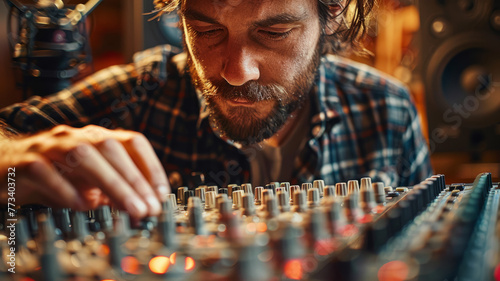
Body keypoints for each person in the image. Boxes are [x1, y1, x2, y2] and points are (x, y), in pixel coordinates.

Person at [0, 0, 433, 219]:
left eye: (275, 32)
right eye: (206, 29)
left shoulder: (387, 110)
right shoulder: (136, 95)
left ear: (332, 16)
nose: (236, 72)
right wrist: (11, 162)